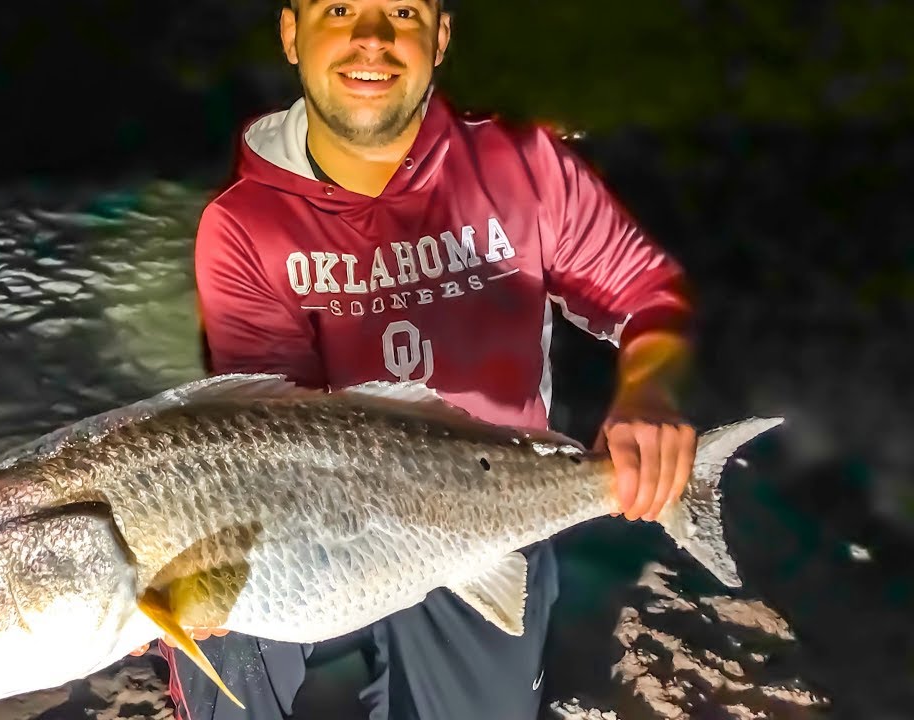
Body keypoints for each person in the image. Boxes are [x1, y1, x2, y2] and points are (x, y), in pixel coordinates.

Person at [133, 0, 699, 718]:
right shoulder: (245, 226)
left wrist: (649, 393)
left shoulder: (523, 166)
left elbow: (649, 294)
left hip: (487, 516)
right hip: (315, 524)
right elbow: (265, 428)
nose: (372, 36)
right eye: (339, 8)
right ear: (290, 33)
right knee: (201, 613)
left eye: (402, 9)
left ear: (441, 36)